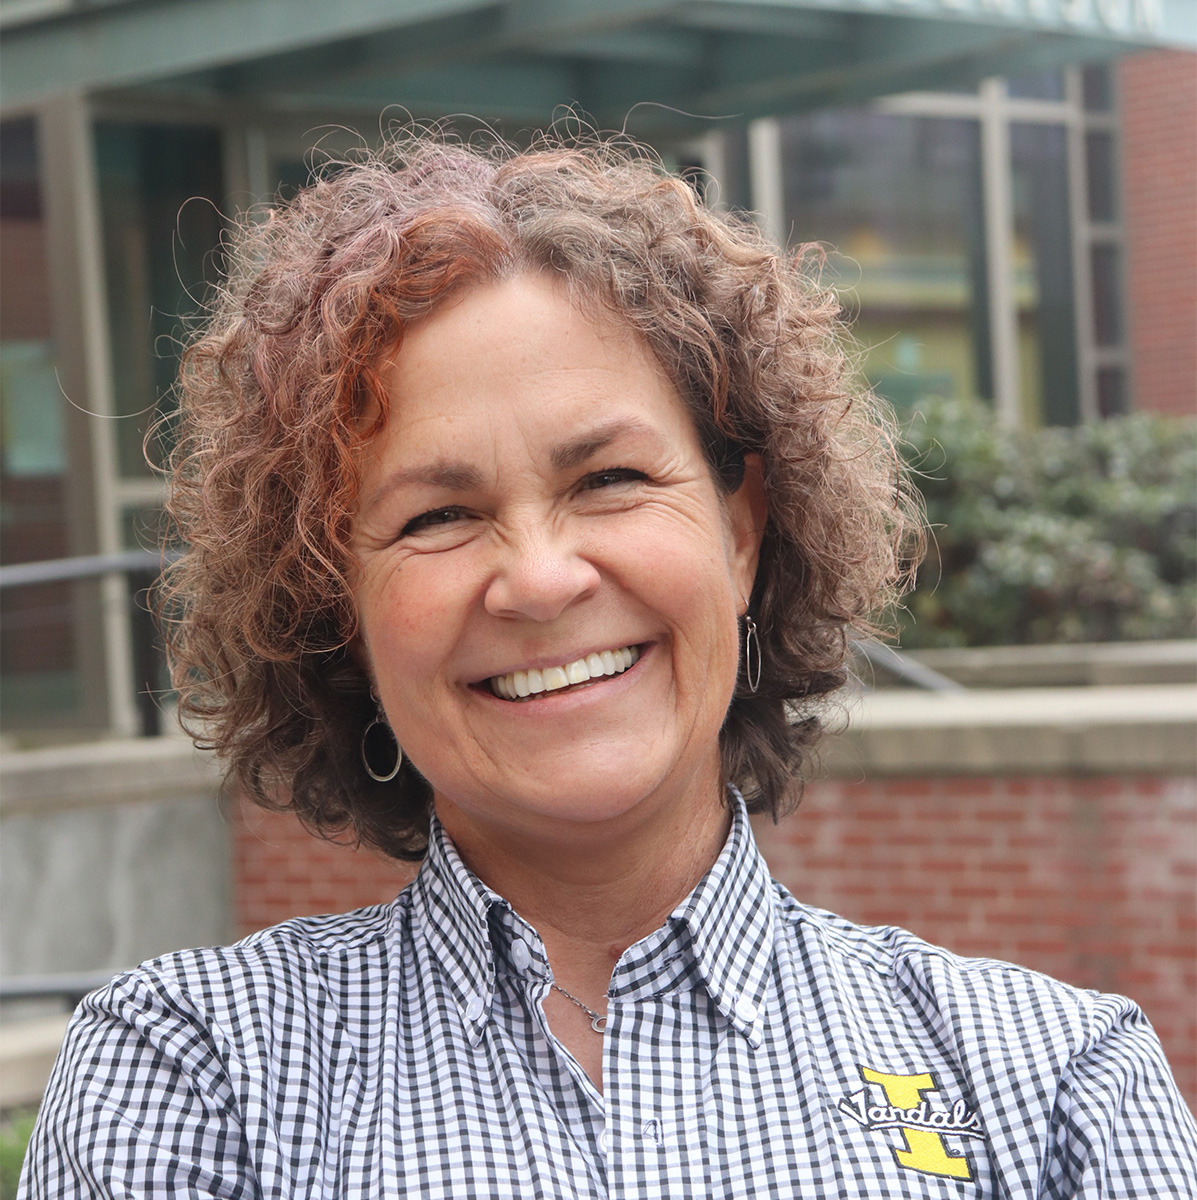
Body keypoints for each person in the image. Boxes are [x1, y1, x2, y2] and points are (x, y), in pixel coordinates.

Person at [21, 134, 1196, 1199]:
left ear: (741, 534)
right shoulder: (193, 1077)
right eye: (437, 515)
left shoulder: (1054, 1092)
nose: (538, 579)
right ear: (336, 610)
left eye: (609, 481)